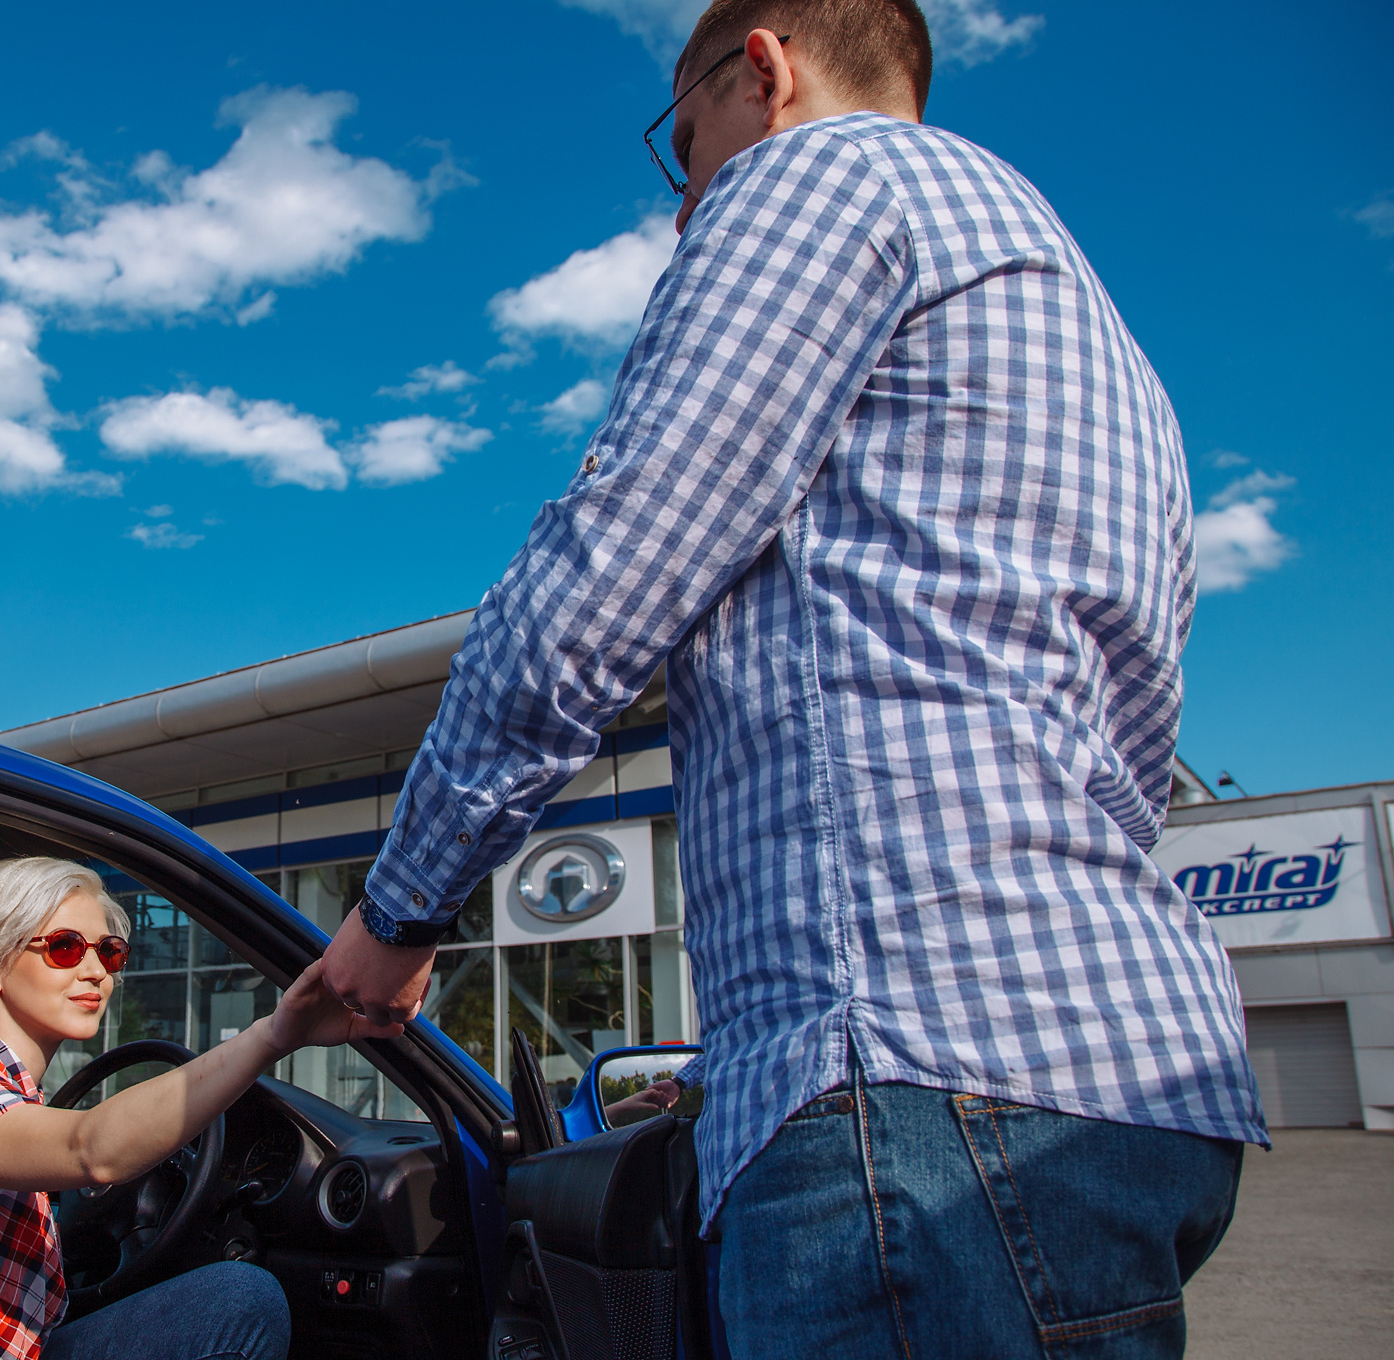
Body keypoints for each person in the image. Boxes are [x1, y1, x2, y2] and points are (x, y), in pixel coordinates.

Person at [318, 2, 1265, 1355]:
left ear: (761, 69)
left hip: (917, 1072)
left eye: (682, 144)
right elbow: (1131, 735)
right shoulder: (1074, 315)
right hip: (1116, 1071)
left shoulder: (820, 176)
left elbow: (608, 566)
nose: (682, 201)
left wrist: (402, 908)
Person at [0, 856, 398, 1360]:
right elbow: (89, 1148)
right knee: (239, 1301)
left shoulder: (14, 1096)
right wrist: (274, 1035)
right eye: (65, 947)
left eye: (110, 952)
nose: (96, 971)